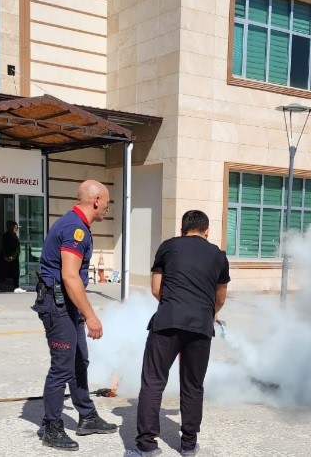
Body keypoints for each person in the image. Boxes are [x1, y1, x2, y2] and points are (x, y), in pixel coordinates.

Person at [126, 210, 230, 457]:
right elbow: (221, 296)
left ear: (182, 230)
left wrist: (175, 304)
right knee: (193, 384)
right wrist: (207, 312)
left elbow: (155, 289)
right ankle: (188, 444)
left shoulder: (168, 247)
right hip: (201, 325)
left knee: (153, 381)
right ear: (207, 231)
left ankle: (147, 445)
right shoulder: (219, 256)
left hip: (167, 322)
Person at [33, 180, 117, 450]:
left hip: (66, 303)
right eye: (106, 201)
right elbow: (70, 276)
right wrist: (90, 315)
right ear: (95, 201)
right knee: (61, 367)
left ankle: (87, 416)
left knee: (80, 360)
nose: (107, 206)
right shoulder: (75, 229)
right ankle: (51, 427)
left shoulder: (75, 224)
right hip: (58, 306)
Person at [0, 220, 25, 293]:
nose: (16, 229)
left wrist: (14, 255)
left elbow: (17, 247)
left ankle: (16, 287)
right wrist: (8, 256)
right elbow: (5, 247)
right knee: (2, 271)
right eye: (15, 227)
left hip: (14, 258)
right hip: (7, 258)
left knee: (15, 272)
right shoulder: (7, 236)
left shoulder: (15, 236)